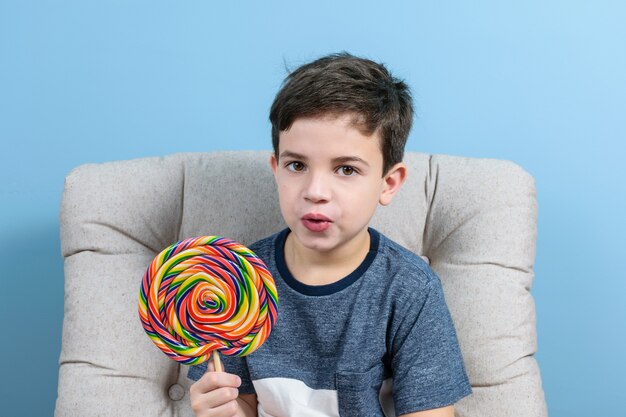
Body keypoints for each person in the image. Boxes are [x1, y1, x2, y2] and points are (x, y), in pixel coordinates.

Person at [187, 52, 472, 417]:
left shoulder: (409, 290)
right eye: (297, 165)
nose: (315, 190)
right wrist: (224, 409)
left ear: (388, 183)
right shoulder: (236, 280)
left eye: (346, 170)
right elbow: (242, 402)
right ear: (276, 170)